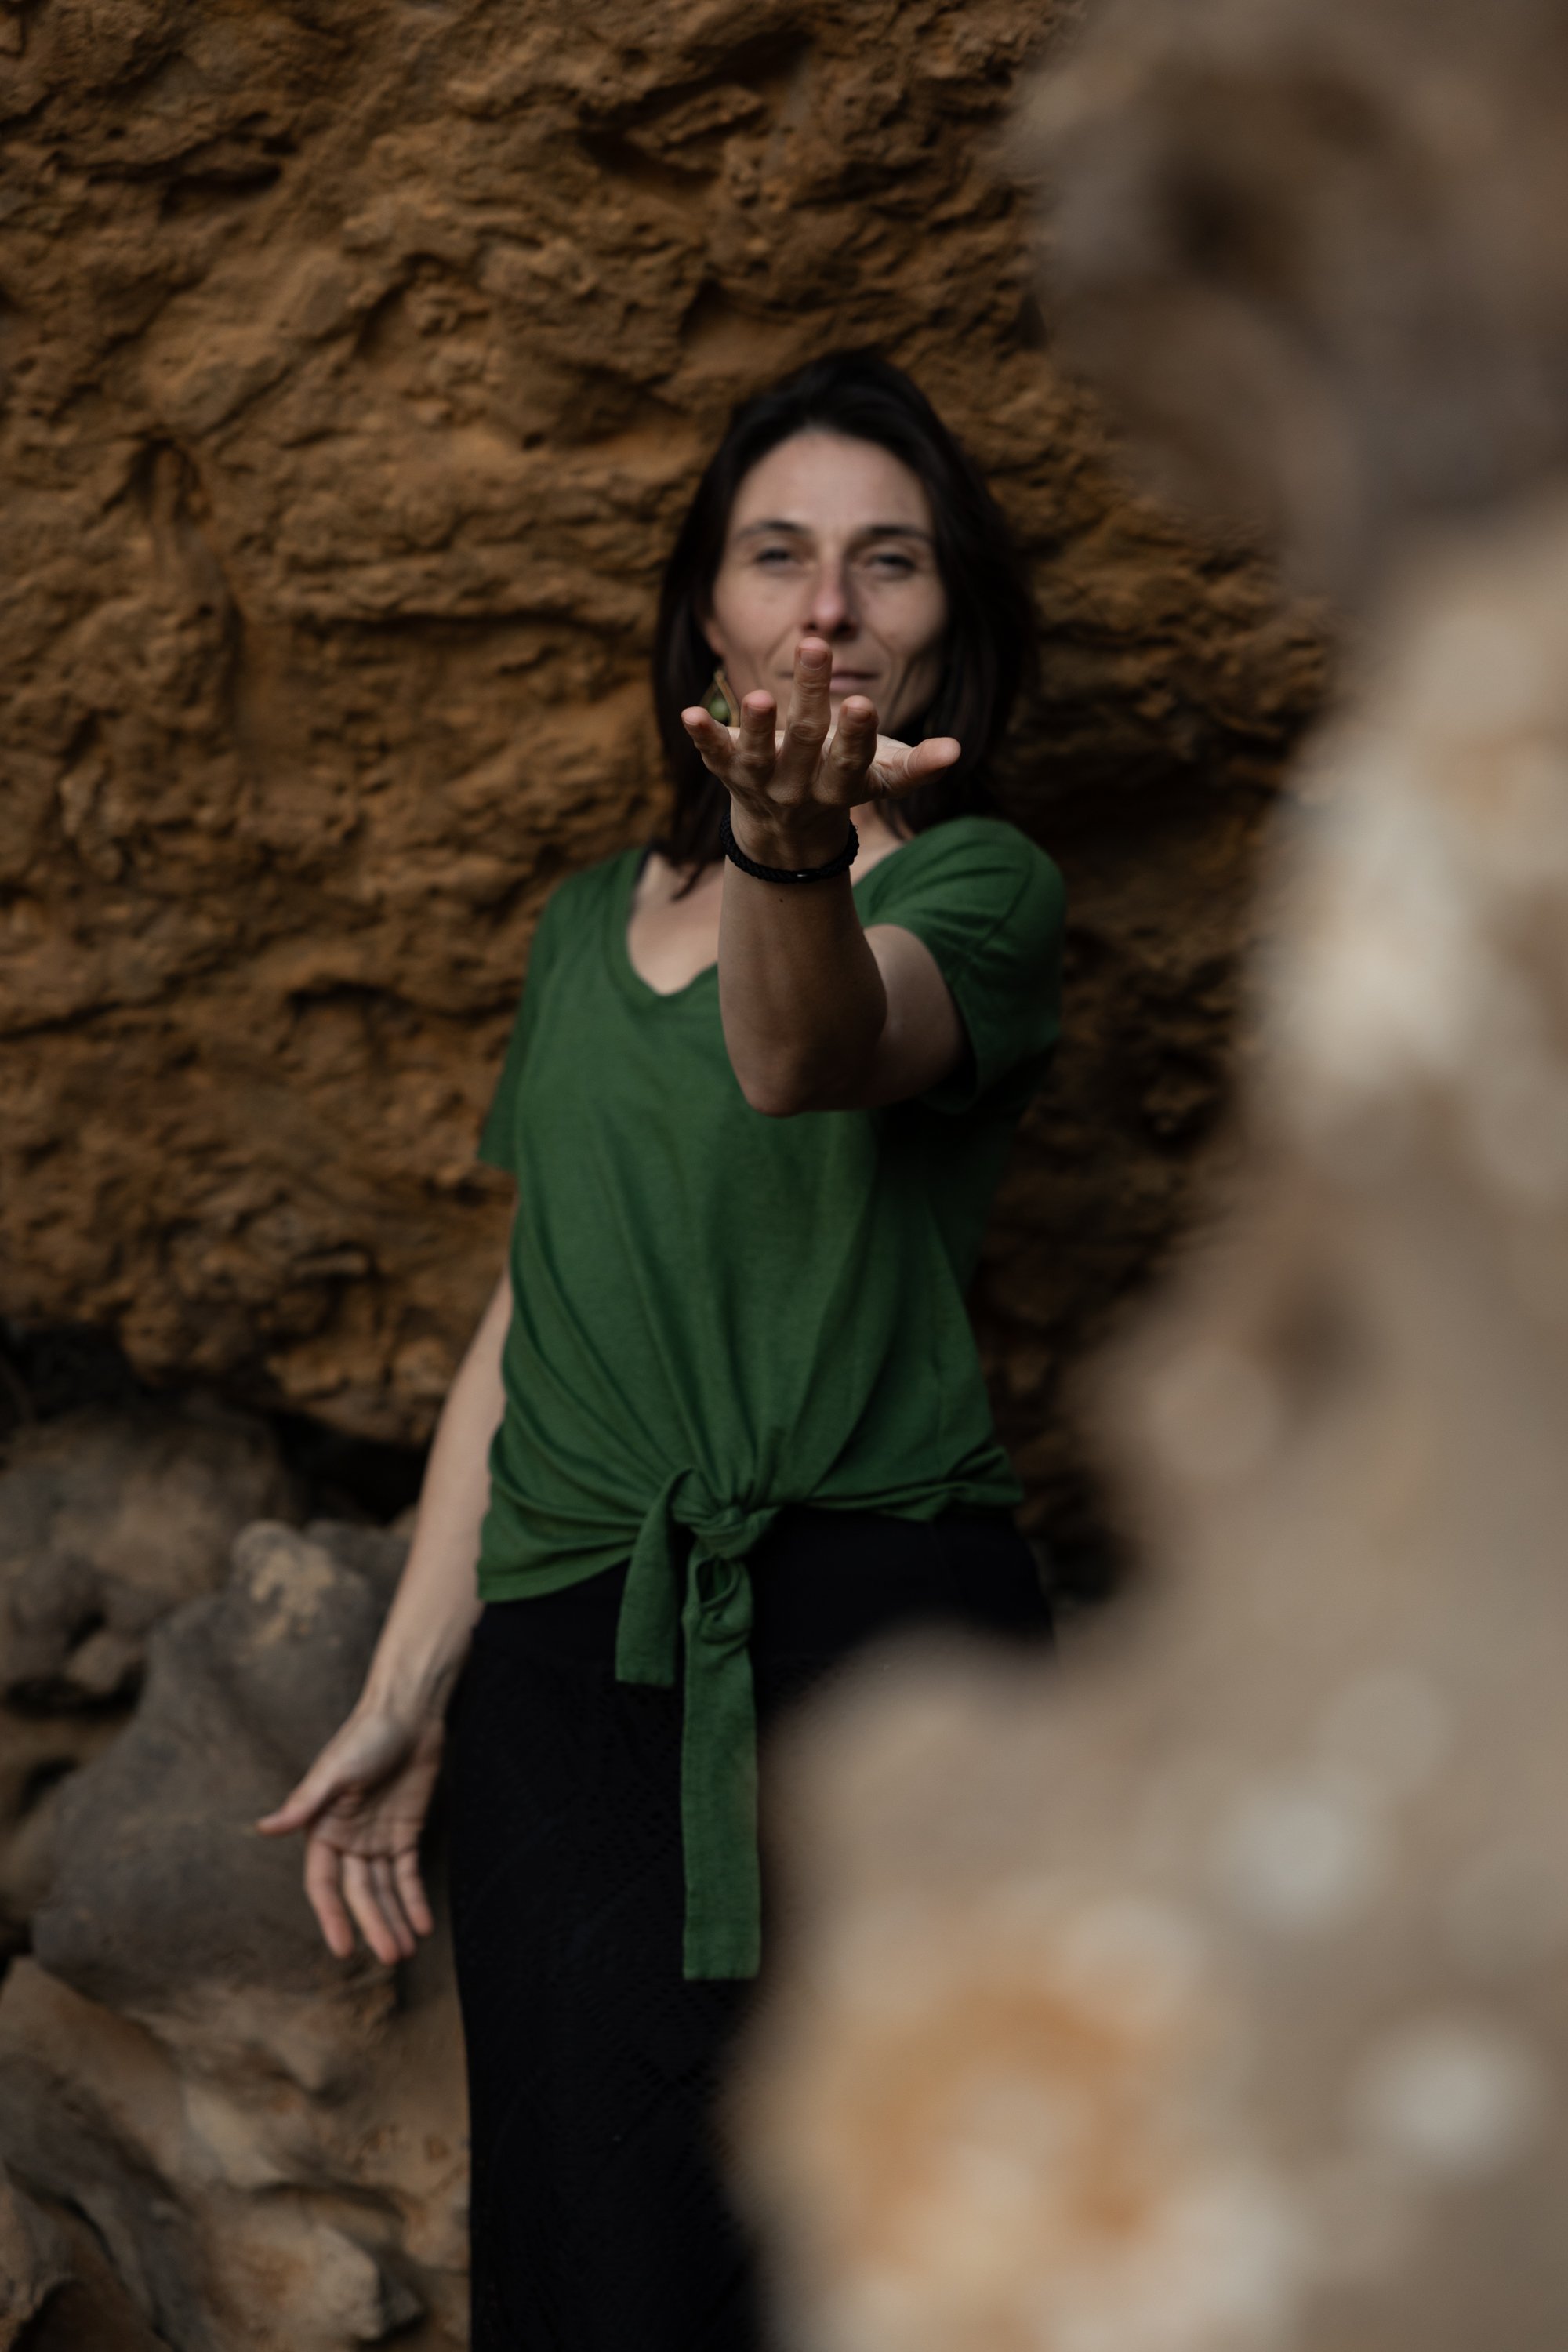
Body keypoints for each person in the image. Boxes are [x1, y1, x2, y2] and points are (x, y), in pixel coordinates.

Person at [259, 350, 1065, 2351]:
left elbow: (804, 1056)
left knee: (901, 2252)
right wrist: (409, 1688)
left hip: (887, 1643)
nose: (827, 606)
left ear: (948, 615)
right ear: (703, 605)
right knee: (595, 2261)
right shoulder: (577, 926)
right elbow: (539, 1316)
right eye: (777, 553)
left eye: (888, 563)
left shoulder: (981, 885)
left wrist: (794, 854)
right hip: (576, 1662)